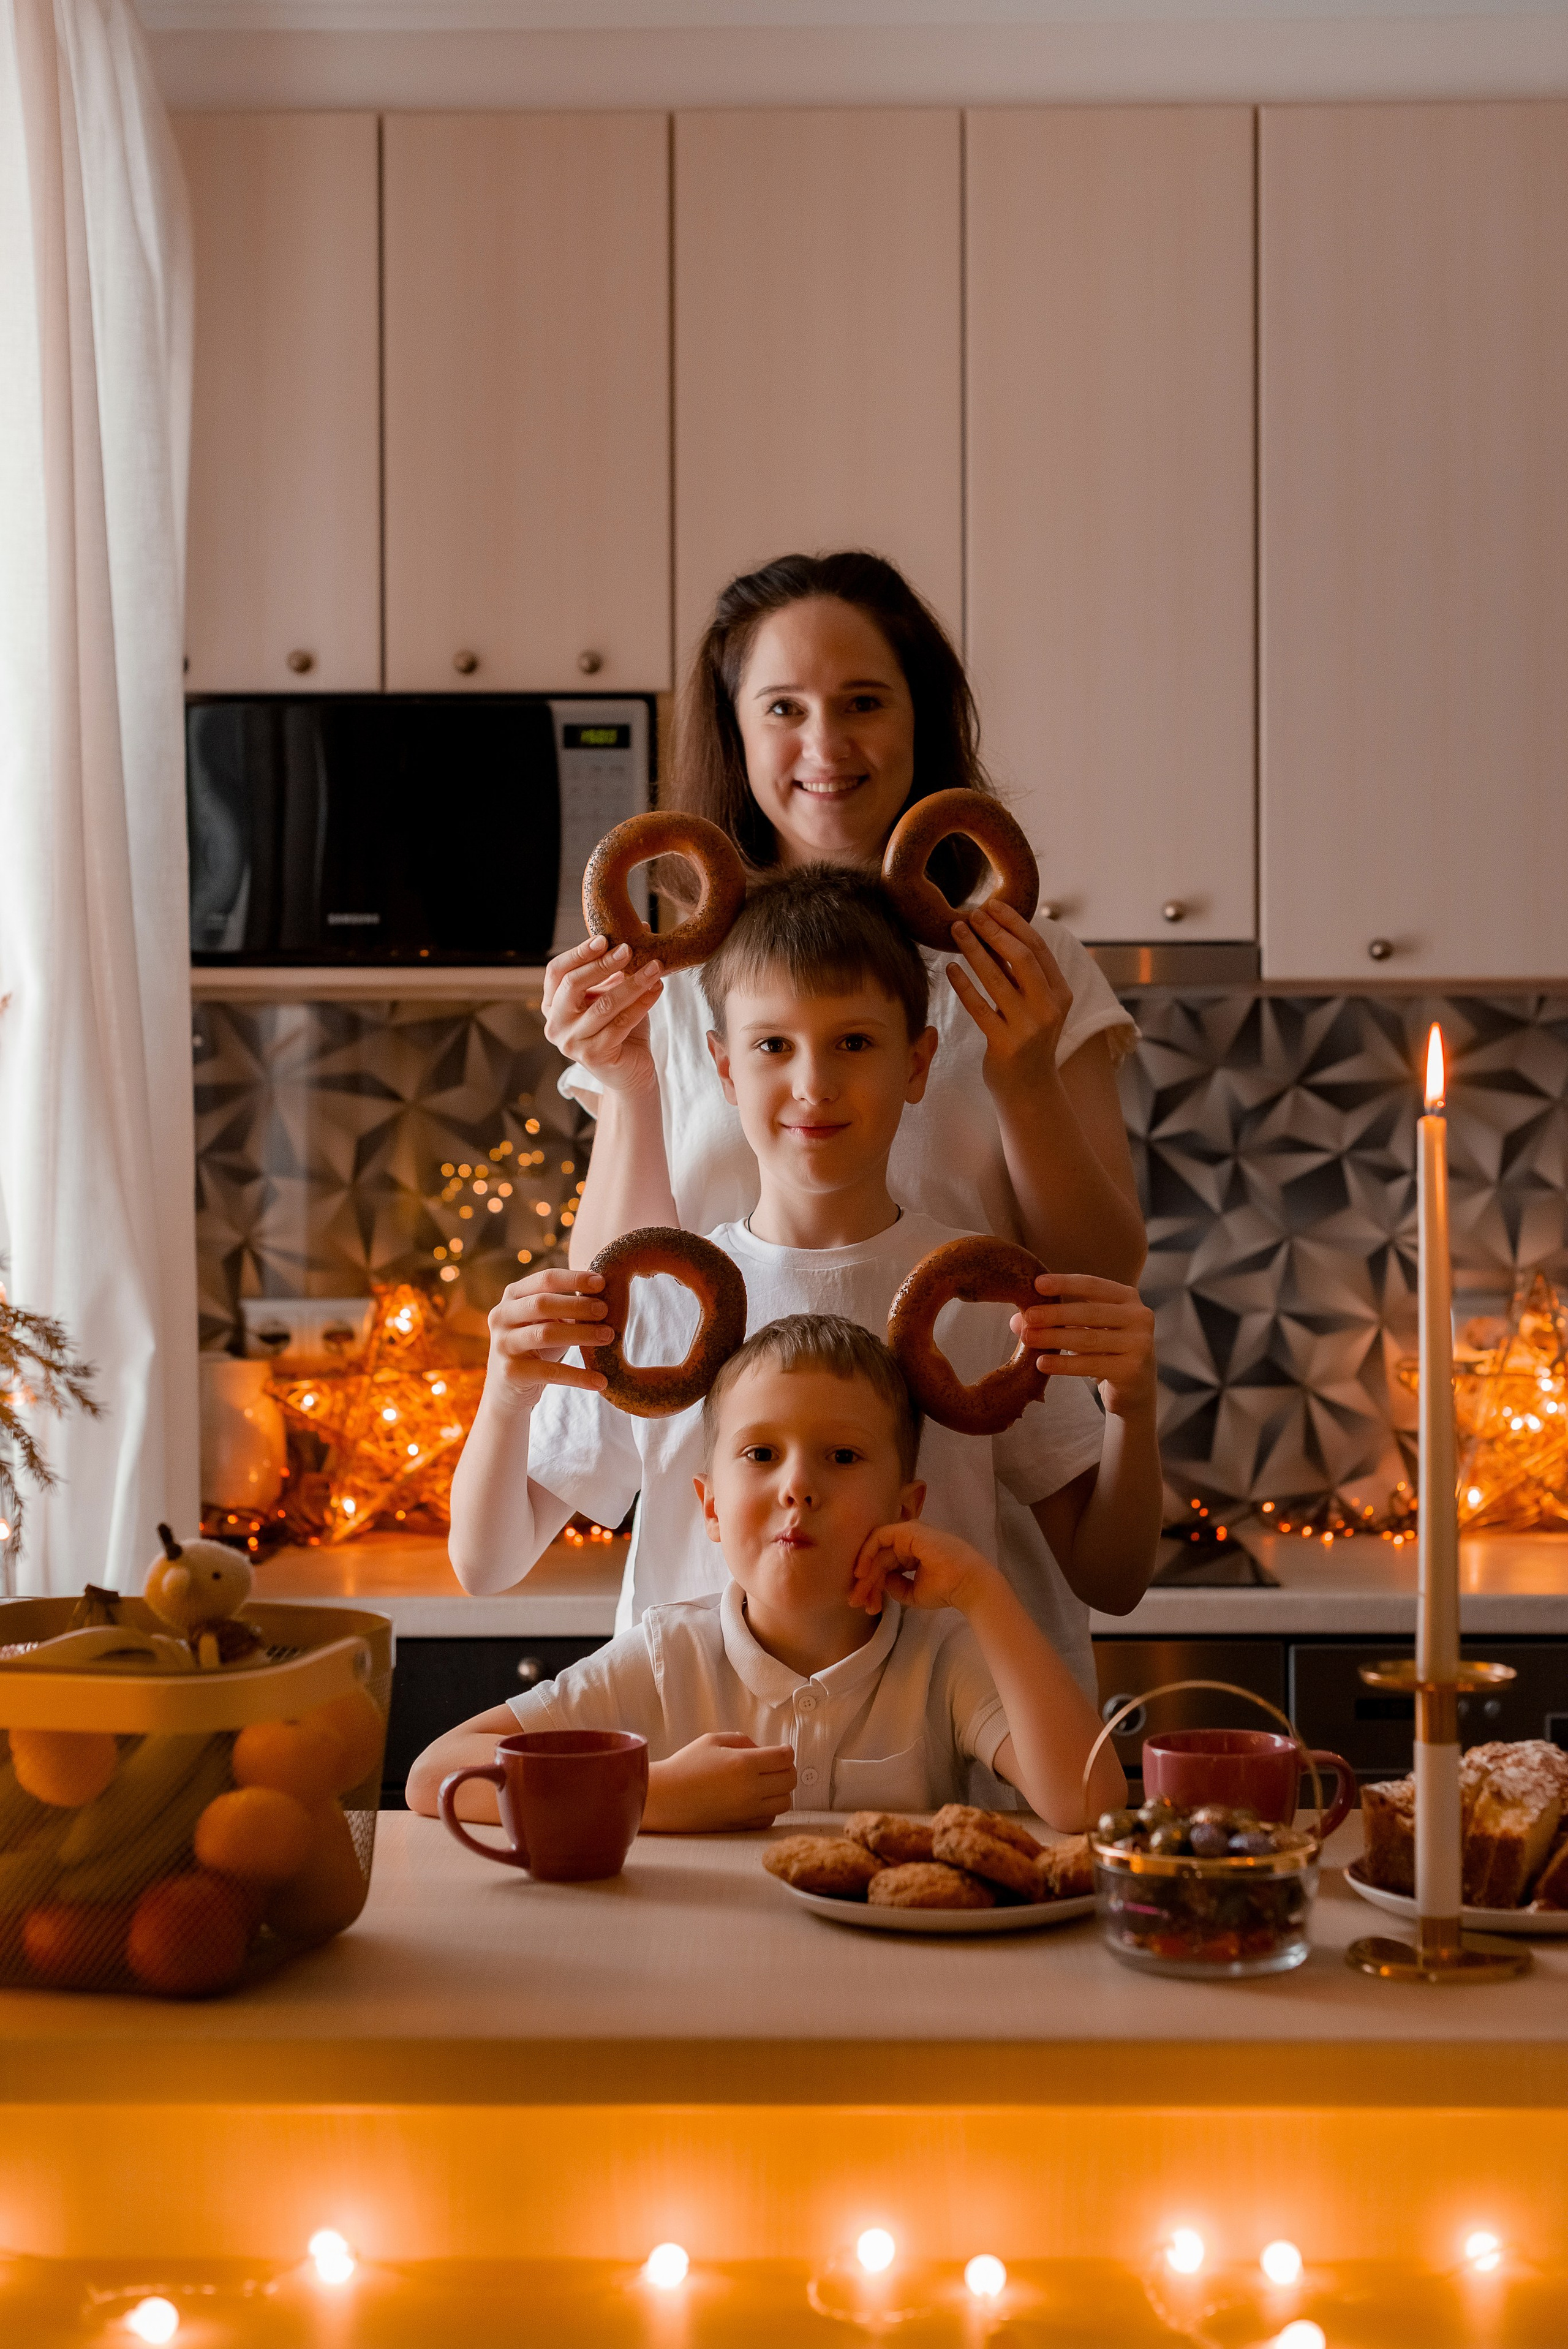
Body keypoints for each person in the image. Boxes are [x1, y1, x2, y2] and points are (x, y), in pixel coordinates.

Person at [450, 867, 1161, 1703]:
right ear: (722, 1067)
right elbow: (488, 1560)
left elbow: (1111, 1576)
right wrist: (505, 1397)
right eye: (772, 1045)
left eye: (854, 1041)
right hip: (690, 1769)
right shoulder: (660, 1299)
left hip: (923, 1780)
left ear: (919, 1062)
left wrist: (1135, 1408)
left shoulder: (979, 1299)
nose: (814, 1084)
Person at [543, 549, 1145, 1285]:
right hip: (725, 1405)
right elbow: (617, 1291)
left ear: (919, 717)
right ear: (735, 733)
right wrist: (626, 1079)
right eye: (782, 707)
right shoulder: (661, 983)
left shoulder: (1024, 967)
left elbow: (1102, 1278)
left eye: (863, 701)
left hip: (964, 1399)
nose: (824, 745)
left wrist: (1023, 1080)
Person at [409, 1316, 1128, 1834]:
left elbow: (1088, 1803)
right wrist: (646, 1792)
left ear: (906, 1507)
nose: (797, 1487)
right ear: (711, 1506)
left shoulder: (942, 1657)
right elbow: (437, 1772)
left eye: (842, 1457)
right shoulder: (665, 1658)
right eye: (760, 1455)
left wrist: (980, 1588)